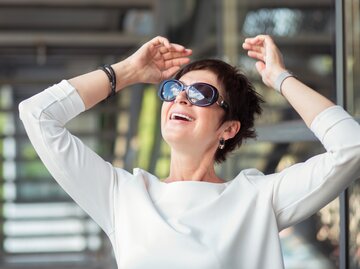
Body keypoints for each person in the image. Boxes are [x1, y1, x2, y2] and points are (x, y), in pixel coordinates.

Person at [19, 35, 360, 269]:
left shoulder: (257, 198)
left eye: (201, 94)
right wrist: (126, 72)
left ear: (228, 129)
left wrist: (279, 76)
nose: (181, 98)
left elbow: (351, 147)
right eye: (175, 89)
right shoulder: (122, 196)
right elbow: (37, 115)